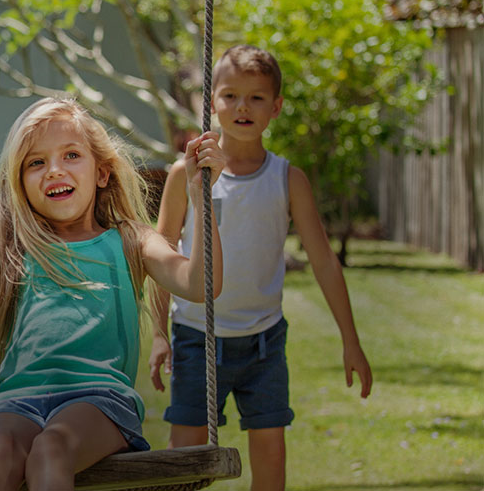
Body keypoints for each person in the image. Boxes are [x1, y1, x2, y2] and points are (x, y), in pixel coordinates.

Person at [0, 97, 225, 491]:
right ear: (20, 183)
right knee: (1, 454)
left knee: (52, 448)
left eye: (71, 155)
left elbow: (201, 285)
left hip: (99, 401)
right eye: (36, 162)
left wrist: (201, 204)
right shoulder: (14, 250)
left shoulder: (130, 240)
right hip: (16, 402)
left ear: (102, 172)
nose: (54, 171)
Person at [148, 44, 374, 491]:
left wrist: (351, 340)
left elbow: (325, 261)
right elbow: (163, 252)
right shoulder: (187, 173)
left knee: (271, 454)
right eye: (230, 95)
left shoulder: (287, 179)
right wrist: (159, 332)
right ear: (212, 101)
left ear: (276, 107)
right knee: (187, 459)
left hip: (264, 343)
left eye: (256, 98)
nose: (242, 107)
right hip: (197, 338)